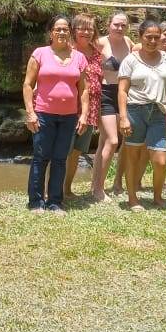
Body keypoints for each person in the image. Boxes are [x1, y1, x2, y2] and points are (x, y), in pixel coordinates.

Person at [22, 15, 90, 212]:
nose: (62, 32)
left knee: (60, 159)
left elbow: (84, 89)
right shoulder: (40, 54)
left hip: (68, 117)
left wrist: (83, 114)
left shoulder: (79, 57)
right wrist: (30, 113)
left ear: (70, 32)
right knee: (40, 157)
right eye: (58, 29)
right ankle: (35, 201)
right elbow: (28, 85)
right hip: (43, 114)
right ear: (50, 32)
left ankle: (54, 202)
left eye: (65, 29)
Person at [118, 20, 166, 210]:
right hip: (135, 110)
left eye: (156, 37)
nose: (153, 41)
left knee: (160, 161)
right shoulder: (130, 60)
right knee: (133, 157)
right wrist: (123, 117)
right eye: (149, 37)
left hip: (158, 113)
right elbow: (122, 91)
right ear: (141, 37)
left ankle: (158, 197)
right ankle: (132, 199)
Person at [92, 11, 132, 202]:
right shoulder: (100, 43)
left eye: (123, 25)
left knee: (105, 141)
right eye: (116, 24)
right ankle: (99, 189)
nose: (119, 28)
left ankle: (102, 184)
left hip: (124, 94)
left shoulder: (130, 43)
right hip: (105, 93)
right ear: (109, 24)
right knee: (113, 140)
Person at [63, 13, 103, 199]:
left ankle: (67, 189)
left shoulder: (96, 53)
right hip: (69, 107)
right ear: (74, 30)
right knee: (64, 149)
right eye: (82, 28)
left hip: (90, 109)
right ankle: (53, 188)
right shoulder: (66, 50)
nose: (86, 32)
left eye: (90, 28)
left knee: (77, 151)